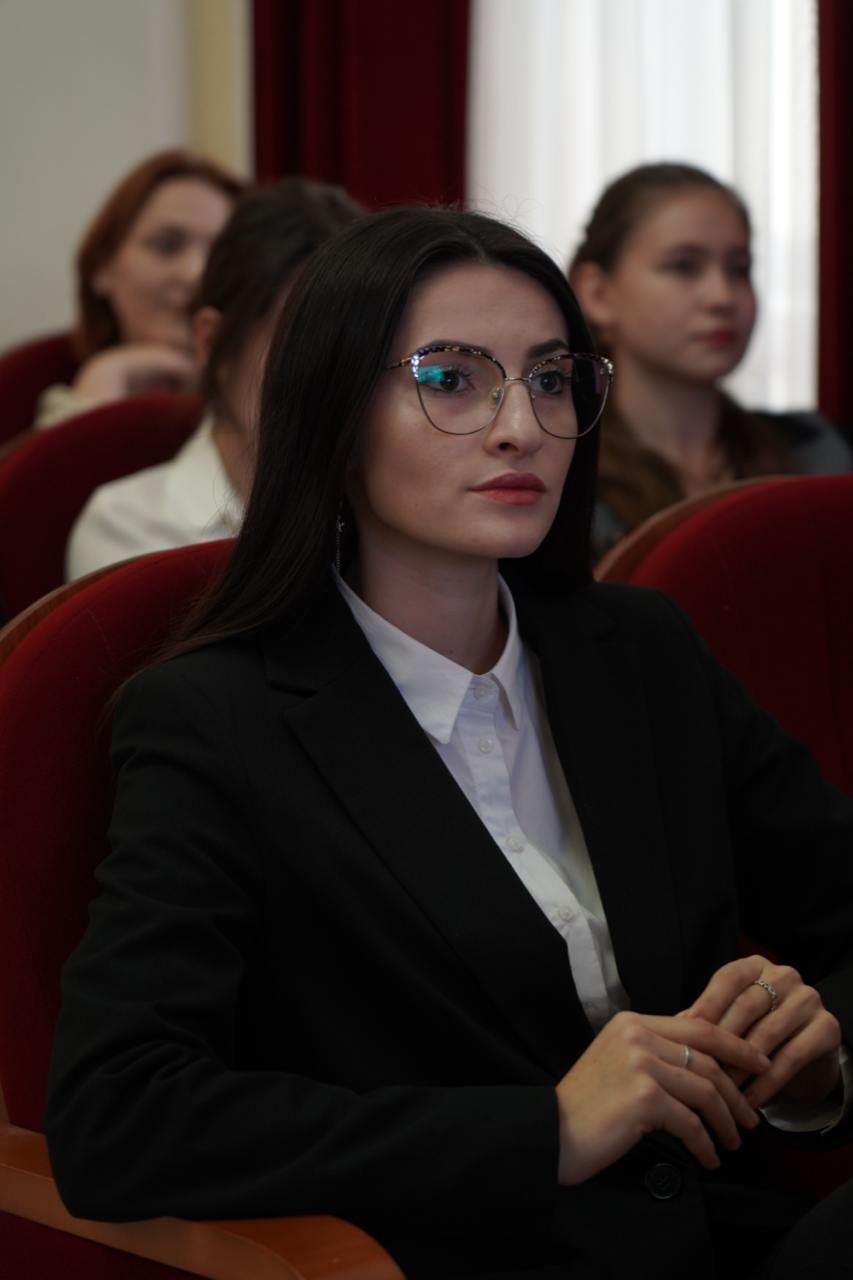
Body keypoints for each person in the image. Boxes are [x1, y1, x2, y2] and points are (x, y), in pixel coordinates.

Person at [45, 207, 853, 1280]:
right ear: (335, 412)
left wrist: (820, 1052)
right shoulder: (219, 719)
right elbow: (120, 1113)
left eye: (552, 379)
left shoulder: (639, 652)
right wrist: (542, 1129)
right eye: (451, 379)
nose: (521, 425)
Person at [64, 178, 363, 580]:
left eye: (359, 350)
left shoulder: (389, 509)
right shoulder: (134, 528)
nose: (335, 376)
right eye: (299, 343)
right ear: (211, 340)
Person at [568, 162, 853, 558]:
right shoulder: (561, 475)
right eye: (684, 266)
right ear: (598, 293)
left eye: (739, 269)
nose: (723, 296)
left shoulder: (820, 452)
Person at [35, 149, 244, 429]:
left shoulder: (265, 402)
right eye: (167, 245)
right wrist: (104, 379)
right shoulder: (28, 387)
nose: (196, 273)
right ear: (102, 265)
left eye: (220, 254)